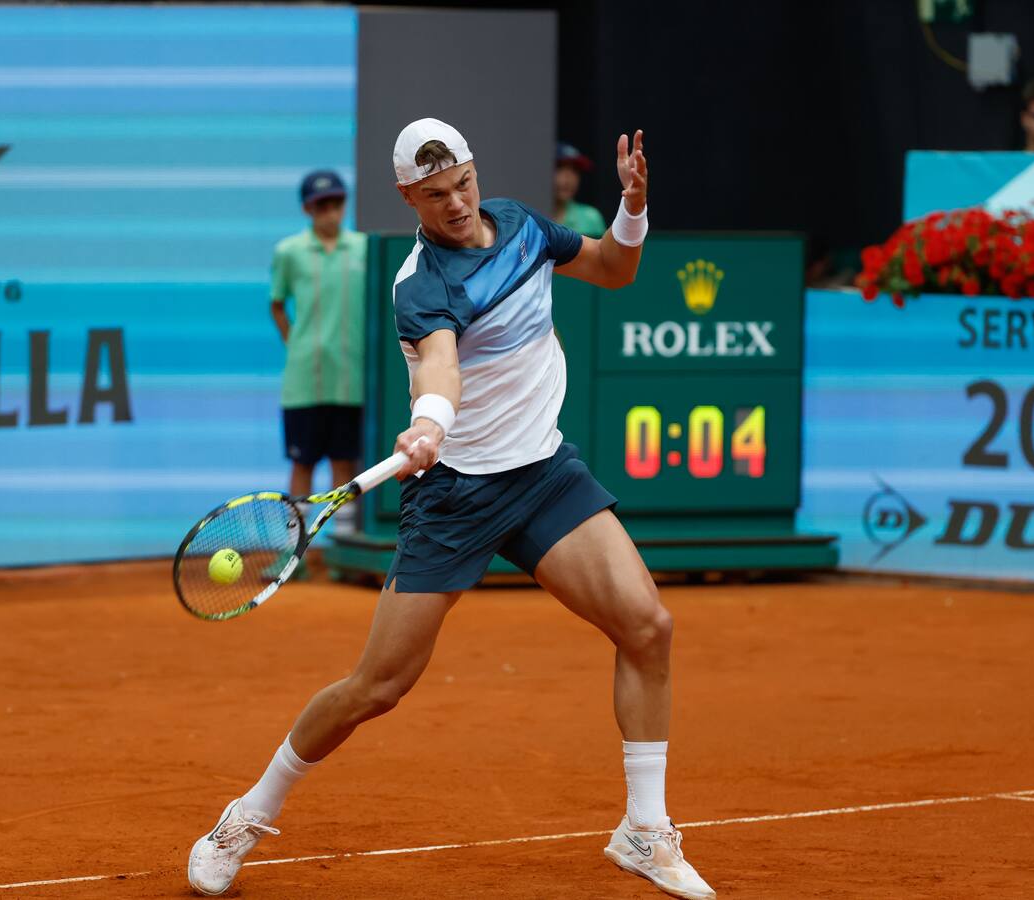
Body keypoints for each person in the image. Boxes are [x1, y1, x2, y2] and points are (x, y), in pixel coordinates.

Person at [188, 119, 715, 900]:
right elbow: (440, 364)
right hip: (457, 493)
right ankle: (245, 814)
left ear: (476, 169)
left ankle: (644, 830)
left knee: (648, 625)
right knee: (378, 687)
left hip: (543, 473)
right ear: (409, 197)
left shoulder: (525, 225)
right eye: (435, 196)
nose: (457, 204)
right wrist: (431, 420)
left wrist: (632, 207)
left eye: (463, 183)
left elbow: (612, 270)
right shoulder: (420, 284)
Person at [269, 170, 368, 546]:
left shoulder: (363, 248)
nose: (331, 212)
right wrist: (295, 344)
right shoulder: (289, 252)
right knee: (303, 463)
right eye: (321, 204)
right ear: (307, 208)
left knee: (345, 464)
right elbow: (277, 303)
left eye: (337, 203)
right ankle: (295, 551)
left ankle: (342, 547)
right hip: (304, 381)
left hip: (350, 378)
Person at [553, 141, 607, 237]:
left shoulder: (591, 218)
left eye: (575, 170)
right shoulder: (530, 216)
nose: (568, 177)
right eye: (560, 167)